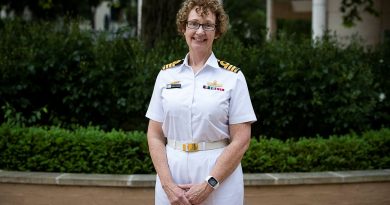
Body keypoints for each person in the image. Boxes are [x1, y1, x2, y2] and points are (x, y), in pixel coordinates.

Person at [145, 0, 257, 204]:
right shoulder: (166, 75)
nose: (200, 31)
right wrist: (168, 184)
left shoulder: (233, 77)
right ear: (183, 28)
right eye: (194, 23)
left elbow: (241, 140)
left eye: (207, 25)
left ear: (218, 31)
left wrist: (209, 184)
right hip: (172, 175)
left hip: (219, 178)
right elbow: (154, 134)